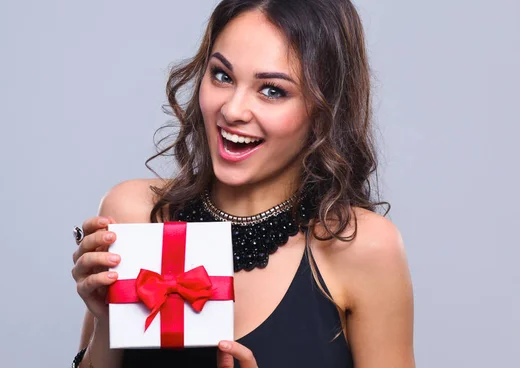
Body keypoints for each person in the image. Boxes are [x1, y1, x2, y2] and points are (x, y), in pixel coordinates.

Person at [71, 0, 415, 367]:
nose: (233, 110)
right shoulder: (135, 215)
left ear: (324, 109)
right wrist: (109, 322)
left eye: (272, 90)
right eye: (222, 75)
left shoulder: (363, 249)